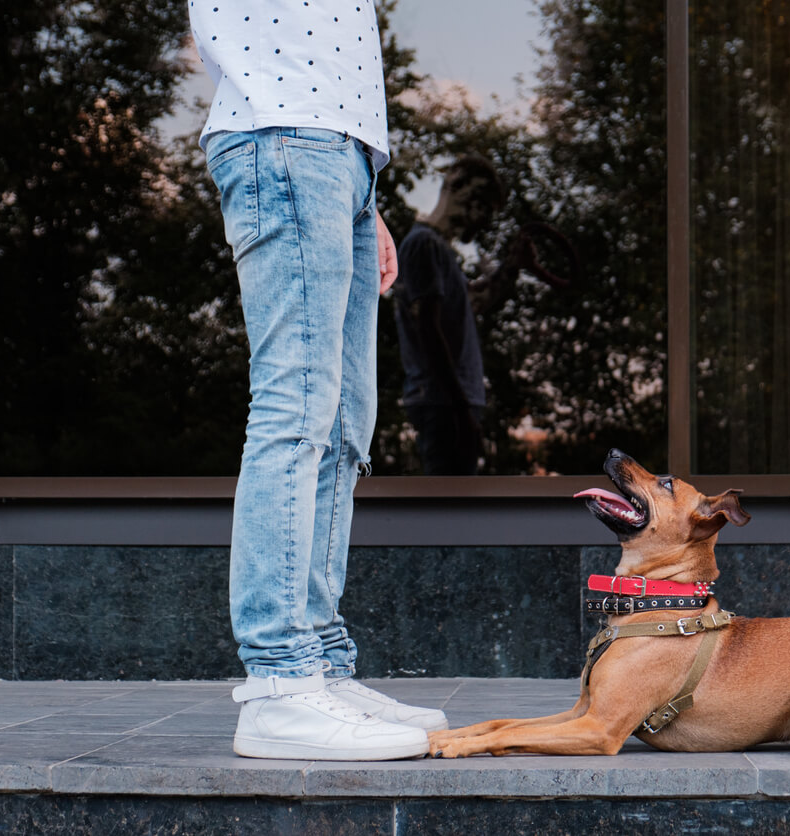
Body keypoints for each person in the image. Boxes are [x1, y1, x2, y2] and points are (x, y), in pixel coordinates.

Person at [189, 0, 445, 761]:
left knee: (340, 426)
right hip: (284, 136)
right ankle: (279, 684)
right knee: (296, 411)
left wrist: (361, 193)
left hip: (340, 158)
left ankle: (322, 666)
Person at [393, 155, 512, 475]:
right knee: (449, 505)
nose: (484, 217)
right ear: (456, 186)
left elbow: (471, 303)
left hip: (449, 402)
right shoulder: (423, 245)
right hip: (443, 404)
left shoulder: (437, 250)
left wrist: (510, 269)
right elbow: (428, 330)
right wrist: (461, 410)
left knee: (455, 503)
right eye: (482, 202)